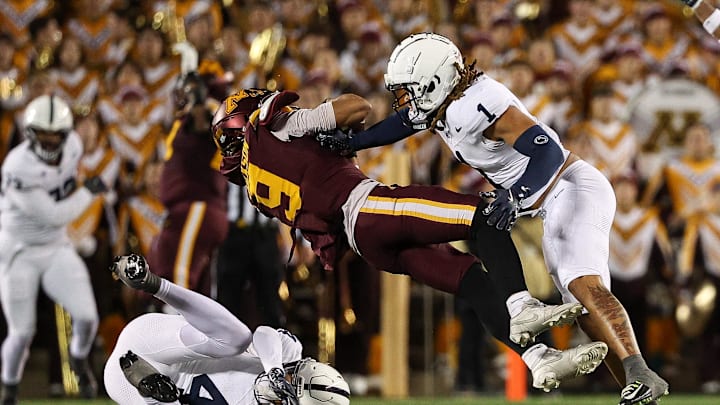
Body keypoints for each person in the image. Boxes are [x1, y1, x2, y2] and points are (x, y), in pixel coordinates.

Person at [317, 32, 667, 405]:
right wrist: (353, 144)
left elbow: (547, 154)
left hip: (569, 187)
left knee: (582, 285)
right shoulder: (447, 102)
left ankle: (642, 372)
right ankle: (634, 385)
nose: (407, 101)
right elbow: (404, 122)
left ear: (435, 82)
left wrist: (514, 196)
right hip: (548, 201)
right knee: (582, 306)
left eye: (412, 90)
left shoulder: (480, 103)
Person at [211, 88, 609, 392]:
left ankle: (538, 358)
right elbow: (357, 106)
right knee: (485, 217)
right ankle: (522, 305)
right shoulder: (274, 126)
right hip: (371, 210)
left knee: (471, 280)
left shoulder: (253, 187)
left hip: (365, 243)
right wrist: (318, 123)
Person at [105, 252, 349, 405]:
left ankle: (151, 390)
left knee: (167, 398)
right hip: (158, 345)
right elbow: (265, 334)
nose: (287, 379)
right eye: (292, 375)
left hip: (128, 387)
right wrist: (274, 370)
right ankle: (154, 284)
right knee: (239, 338)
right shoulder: (288, 354)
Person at [0, 95, 108, 403]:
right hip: (19, 250)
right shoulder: (18, 166)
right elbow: (54, 214)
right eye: (42, 133)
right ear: (29, 133)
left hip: (56, 246)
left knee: (87, 317)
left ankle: (77, 356)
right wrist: (89, 192)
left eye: (54, 134)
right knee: (21, 333)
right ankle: (9, 388)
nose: (49, 141)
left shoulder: (73, 144)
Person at [147, 45, 229, 298]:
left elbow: (214, 116)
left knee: (177, 283)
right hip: (189, 209)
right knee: (182, 283)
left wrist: (202, 96)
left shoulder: (208, 120)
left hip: (198, 207)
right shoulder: (186, 122)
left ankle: (175, 336)